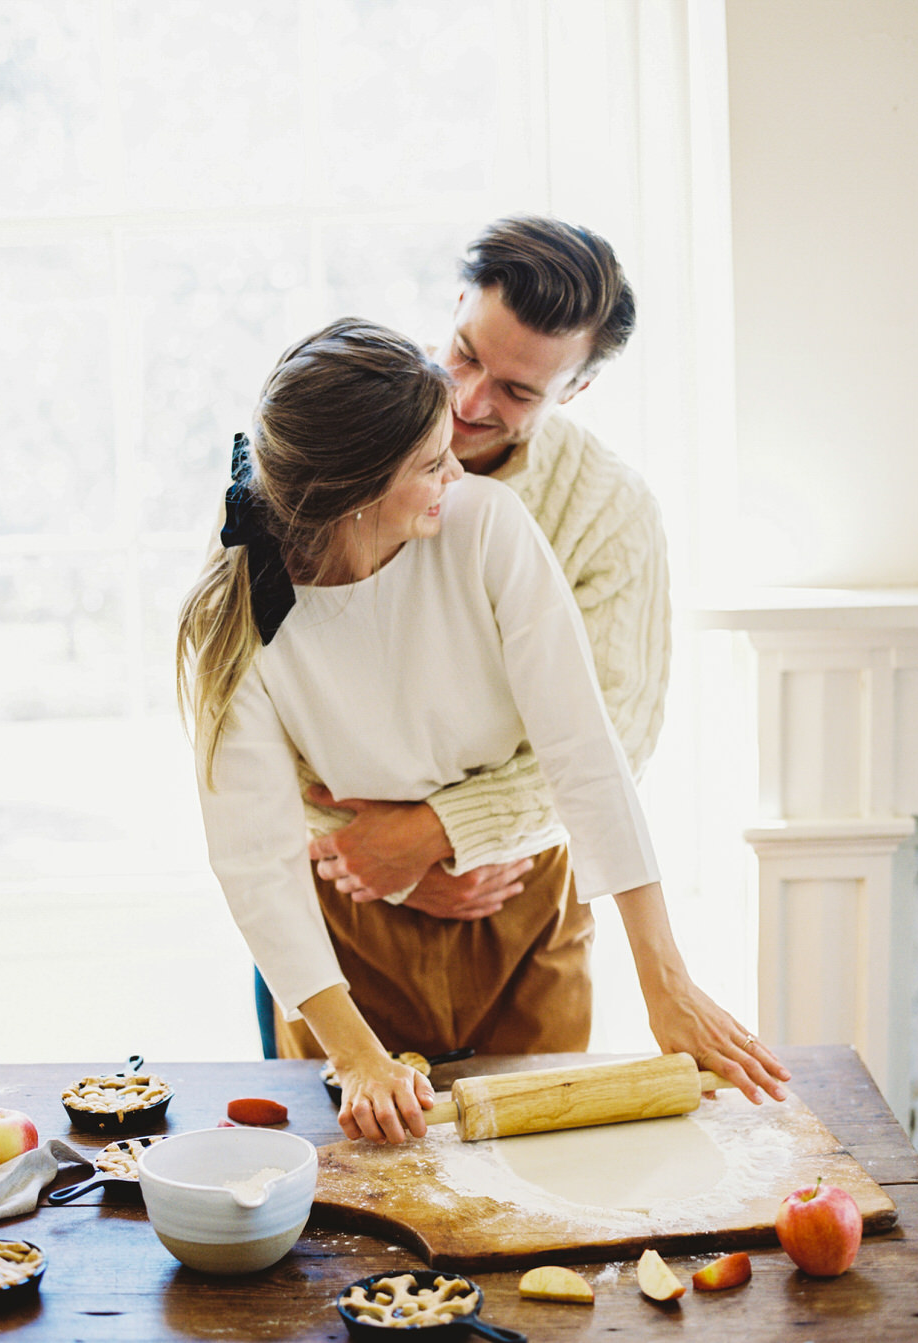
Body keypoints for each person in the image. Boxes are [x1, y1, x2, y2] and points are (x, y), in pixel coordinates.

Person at [178, 318, 787, 1147]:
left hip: (523, 906)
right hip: (346, 932)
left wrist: (665, 978)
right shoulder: (235, 610)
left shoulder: (487, 525)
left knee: (541, 1170)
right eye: (431, 462)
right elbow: (253, 853)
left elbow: (585, 752)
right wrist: (357, 1057)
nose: (455, 470)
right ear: (357, 490)